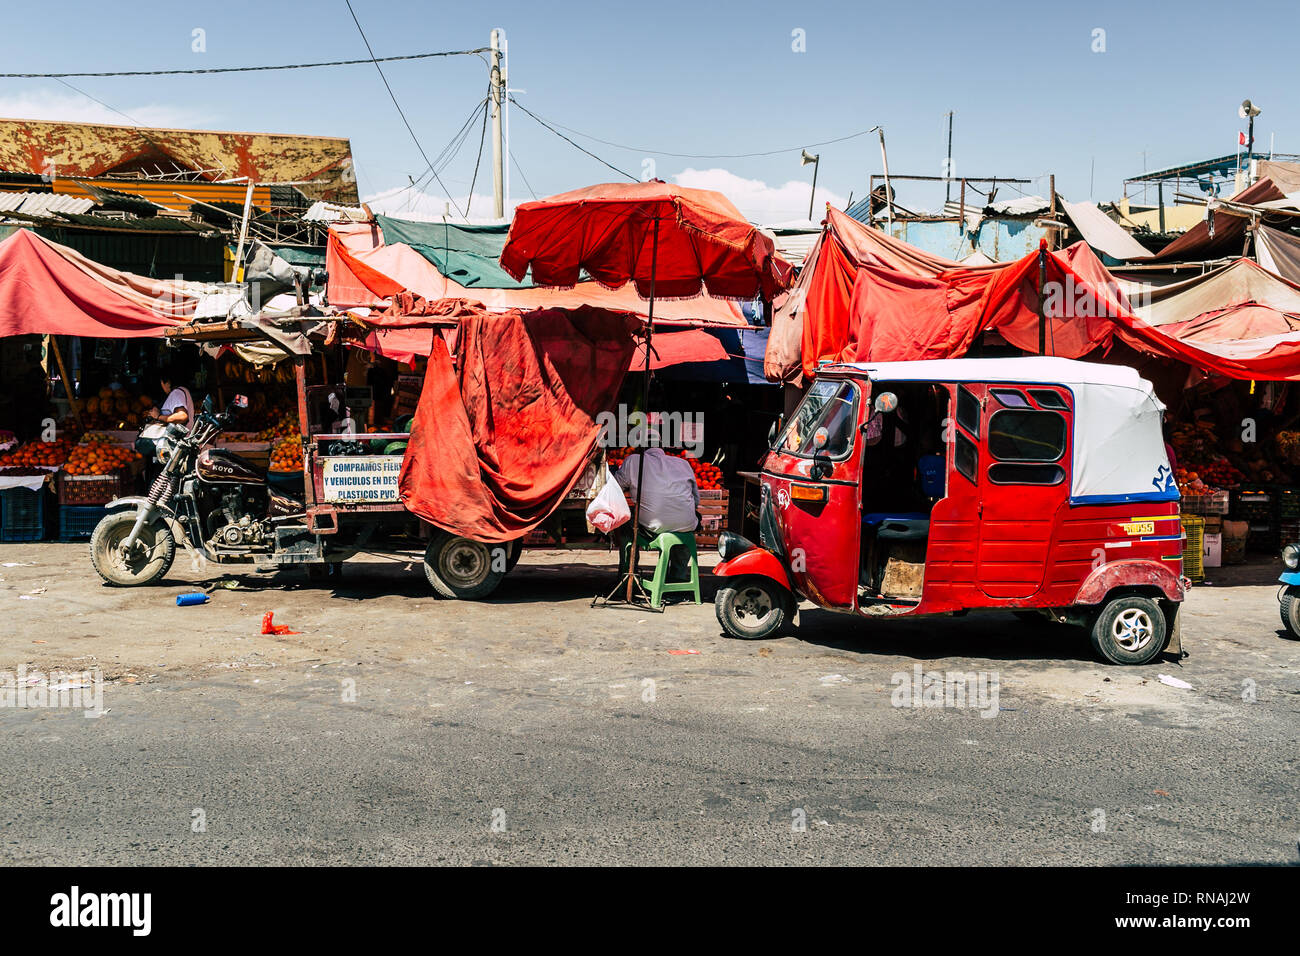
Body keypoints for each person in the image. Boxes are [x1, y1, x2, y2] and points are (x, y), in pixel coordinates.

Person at [614, 436, 700, 582]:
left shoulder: (634, 461)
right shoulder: (683, 463)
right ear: (662, 446)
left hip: (653, 526)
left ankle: (628, 575)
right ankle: (677, 579)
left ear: (639, 447)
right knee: (683, 527)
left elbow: (616, 487)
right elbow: (695, 500)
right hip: (686, 524)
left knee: (626, 523)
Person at [136, 365, 193, 462]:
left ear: (165, 382)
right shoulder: (181, 391)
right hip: (177, 446)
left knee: (140, 445)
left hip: (176, 445)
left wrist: (158, 416)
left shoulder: (176, 393)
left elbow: (182, 415)